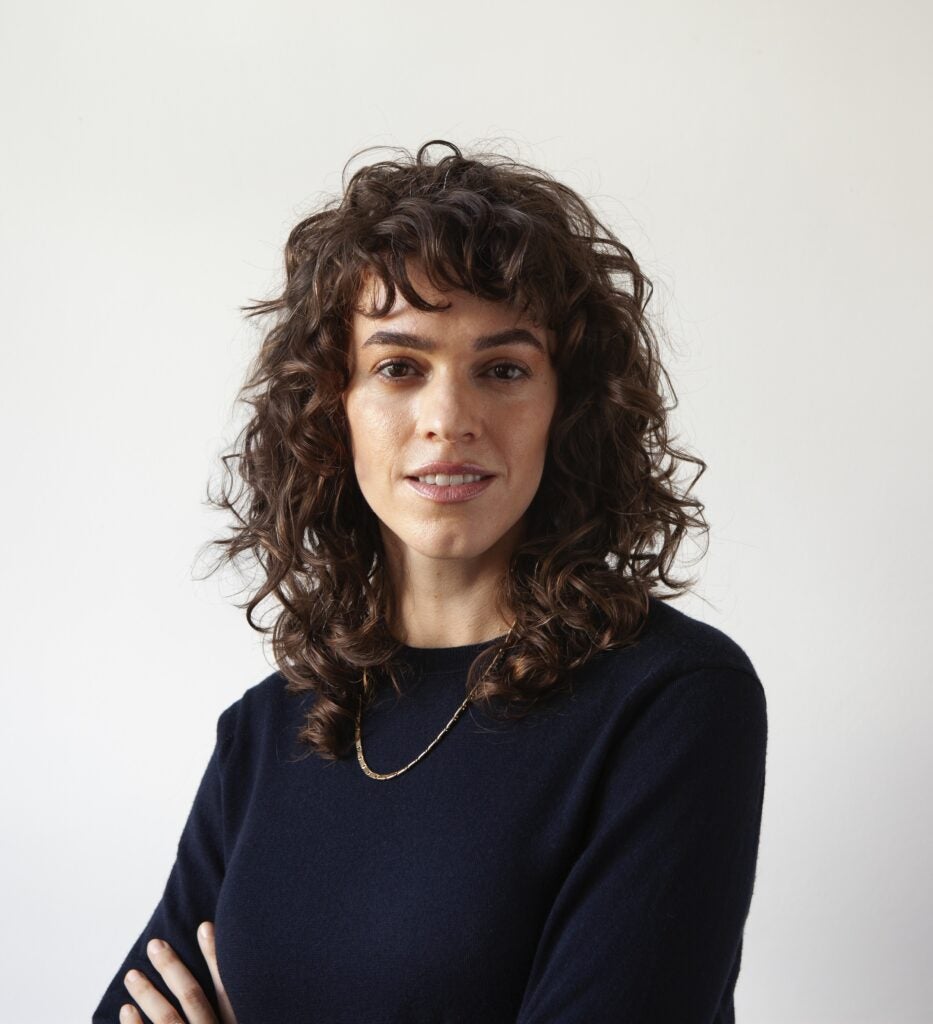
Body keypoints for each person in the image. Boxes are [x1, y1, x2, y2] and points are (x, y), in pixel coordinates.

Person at [92, 139, 768, 1024]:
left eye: (503, 369)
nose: (448, 420)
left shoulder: (671, 702)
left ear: (566, 410)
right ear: (333, 408)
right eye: (398, 367)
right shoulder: (270, 727)